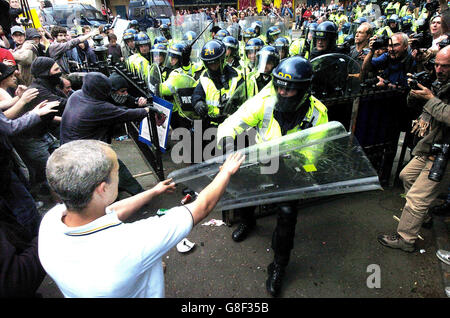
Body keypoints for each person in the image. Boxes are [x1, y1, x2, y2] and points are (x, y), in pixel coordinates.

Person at [38, 139, 244, 297]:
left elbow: (110, 212)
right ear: (102, 188)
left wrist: (152, 192)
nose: (119, 175)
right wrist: (225, 172)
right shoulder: (131, 243)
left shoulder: (51, 221)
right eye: (117, 171)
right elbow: (201, 207)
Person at [217, 56, 328, 297]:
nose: (283, 92)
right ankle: (247, 220)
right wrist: (226, 145)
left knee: (288, 214)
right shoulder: (265, 101)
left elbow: (314, 152)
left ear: (304, 89)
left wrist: (301, 163)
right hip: (262, 158)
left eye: (290, 89)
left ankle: (279, 265)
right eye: (279, 86)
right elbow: (231, 124)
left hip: (292, 168)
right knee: (243, 187)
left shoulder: (318, 113)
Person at [378, 45, 450, 252]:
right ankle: (422, 216)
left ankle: (406, 238)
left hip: (445, 152)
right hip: (431, 146)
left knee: (417, 198)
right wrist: (416, 92)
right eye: (437, 64)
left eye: (444, 66)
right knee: (406, 176)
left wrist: (430, 99)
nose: (438, 70)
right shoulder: (439, 83)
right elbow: (415, 106)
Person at [60, 72, 150, 196]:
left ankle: (116, 194)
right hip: (85, 152)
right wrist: (147, 110)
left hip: (71, 148)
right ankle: (140, 196)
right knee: (115, 167)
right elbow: (123, 114)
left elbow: (115, 109)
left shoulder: (77, 95)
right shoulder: (95, 107)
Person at [192, 39, 244, 128]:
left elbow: (246, 100)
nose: (213, 67)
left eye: (216, 62)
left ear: (223, 60)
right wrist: (198, 103)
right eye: (209, 64)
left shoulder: (237, 76)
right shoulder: (204, 77)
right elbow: (197, 94)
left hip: (232, 125)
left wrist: (233, 106)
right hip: (209, 124)